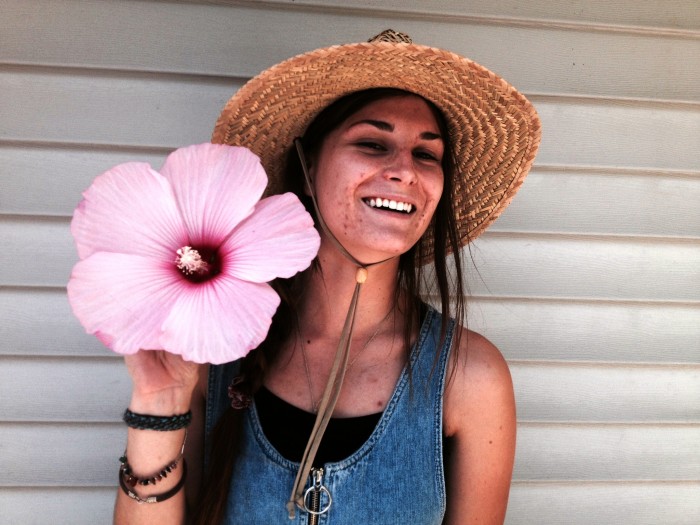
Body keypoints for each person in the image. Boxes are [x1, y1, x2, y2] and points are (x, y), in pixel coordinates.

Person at [113, 30, 541, 524]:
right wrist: (158, 406)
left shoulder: (471, 377)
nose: (404, 170)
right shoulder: (215, 347)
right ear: (308, 162)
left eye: (427, 154)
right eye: (372, 143)